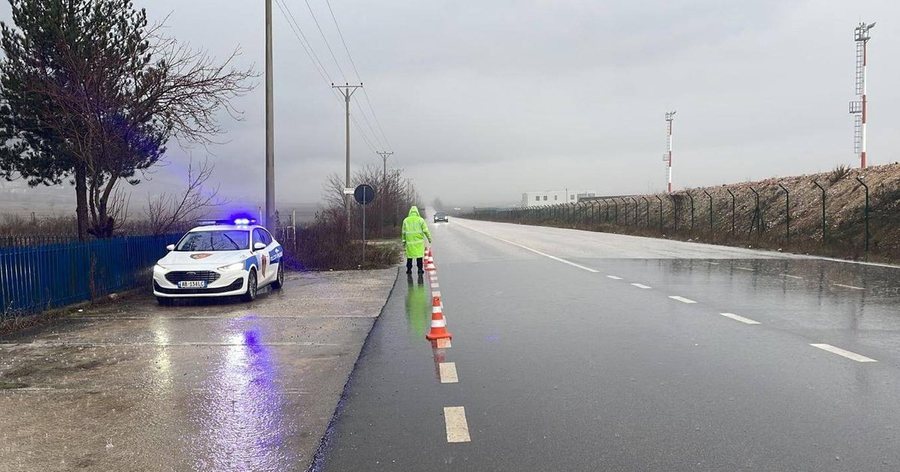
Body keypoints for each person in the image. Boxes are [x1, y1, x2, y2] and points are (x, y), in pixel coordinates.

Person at [401, 206, 431, 274]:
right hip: (419, 243)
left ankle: (409, 270)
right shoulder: (420, 220)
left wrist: (403, 241)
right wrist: (429, 239)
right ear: (417, 212)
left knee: (409, 257)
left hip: (409, 243)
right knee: (419, 256)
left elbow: (403, 232)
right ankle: (420, 269)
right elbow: (426, 231)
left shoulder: (406, 220)